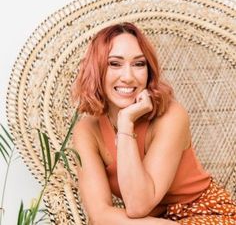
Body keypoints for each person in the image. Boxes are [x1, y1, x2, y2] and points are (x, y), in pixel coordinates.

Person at [71, 22, 236, 225]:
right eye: (114, 63)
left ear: (149, 71)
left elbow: (138, 205)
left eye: (139, 64)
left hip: (207, 213)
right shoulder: (87, 130)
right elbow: (100, 215)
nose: (128, 77)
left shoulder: (171, 116)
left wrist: (124, 124)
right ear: (96, 70)